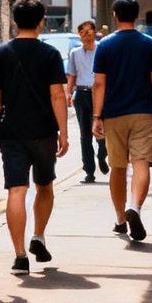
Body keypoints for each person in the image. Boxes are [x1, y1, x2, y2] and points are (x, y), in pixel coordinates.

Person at [0, 0, 69, 274]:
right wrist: (64, 133)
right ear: (41, 21)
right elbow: (57, 94)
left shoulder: (0, 53)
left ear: (14, 20)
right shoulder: (50, 54)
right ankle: (38, 236)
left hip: (11, 132)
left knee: (16, 190)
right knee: (45, 186)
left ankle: (20, 255)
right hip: (43, 131)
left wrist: (4, 110)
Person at [91, 0, 152, 243]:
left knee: (117, 166)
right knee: (142, 163)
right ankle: (134, 207)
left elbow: (98, 84)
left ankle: (119, 218)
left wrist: (96, 116)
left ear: (115, 15)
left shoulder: (104, 45)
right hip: (143, 112)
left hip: (114, 114)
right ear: (137, 16)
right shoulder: (149, 44)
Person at [65, 20, 108, 183]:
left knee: (101, 130)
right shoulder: (75, 53)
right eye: (82, 32)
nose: (86, 35)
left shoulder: (102, 49)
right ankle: (89, 170)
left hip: (99, 93)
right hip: (82, 93)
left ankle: (102, 155)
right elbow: (72, 75)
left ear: (94, 32)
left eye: (88, 31)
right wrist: (69, 93)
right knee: (84, 134)